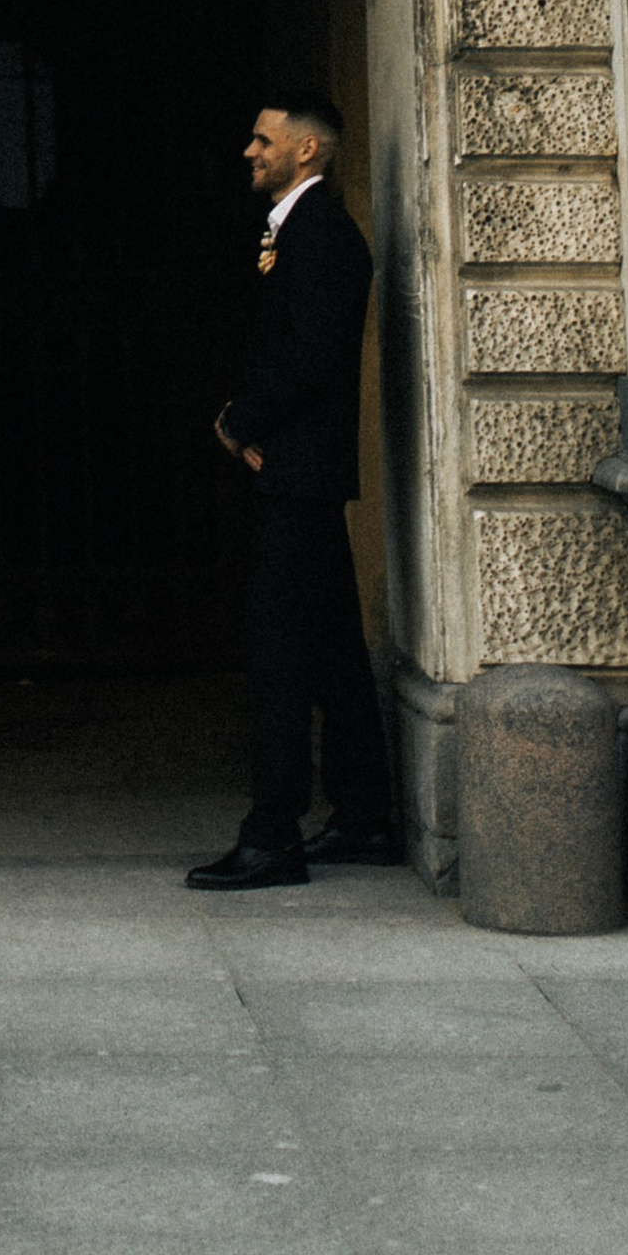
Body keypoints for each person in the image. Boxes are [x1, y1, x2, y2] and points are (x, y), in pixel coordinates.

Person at [187, 94, 399, 892]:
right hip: (301, 471)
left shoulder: (321, 235)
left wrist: (241, 420)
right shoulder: (298, 229)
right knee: (334, 645)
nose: (250, 150)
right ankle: (364, 814)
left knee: (276, 652)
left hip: (296, 473)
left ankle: (272, 834)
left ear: (307, 150)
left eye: (263, 139)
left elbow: (309, 357)